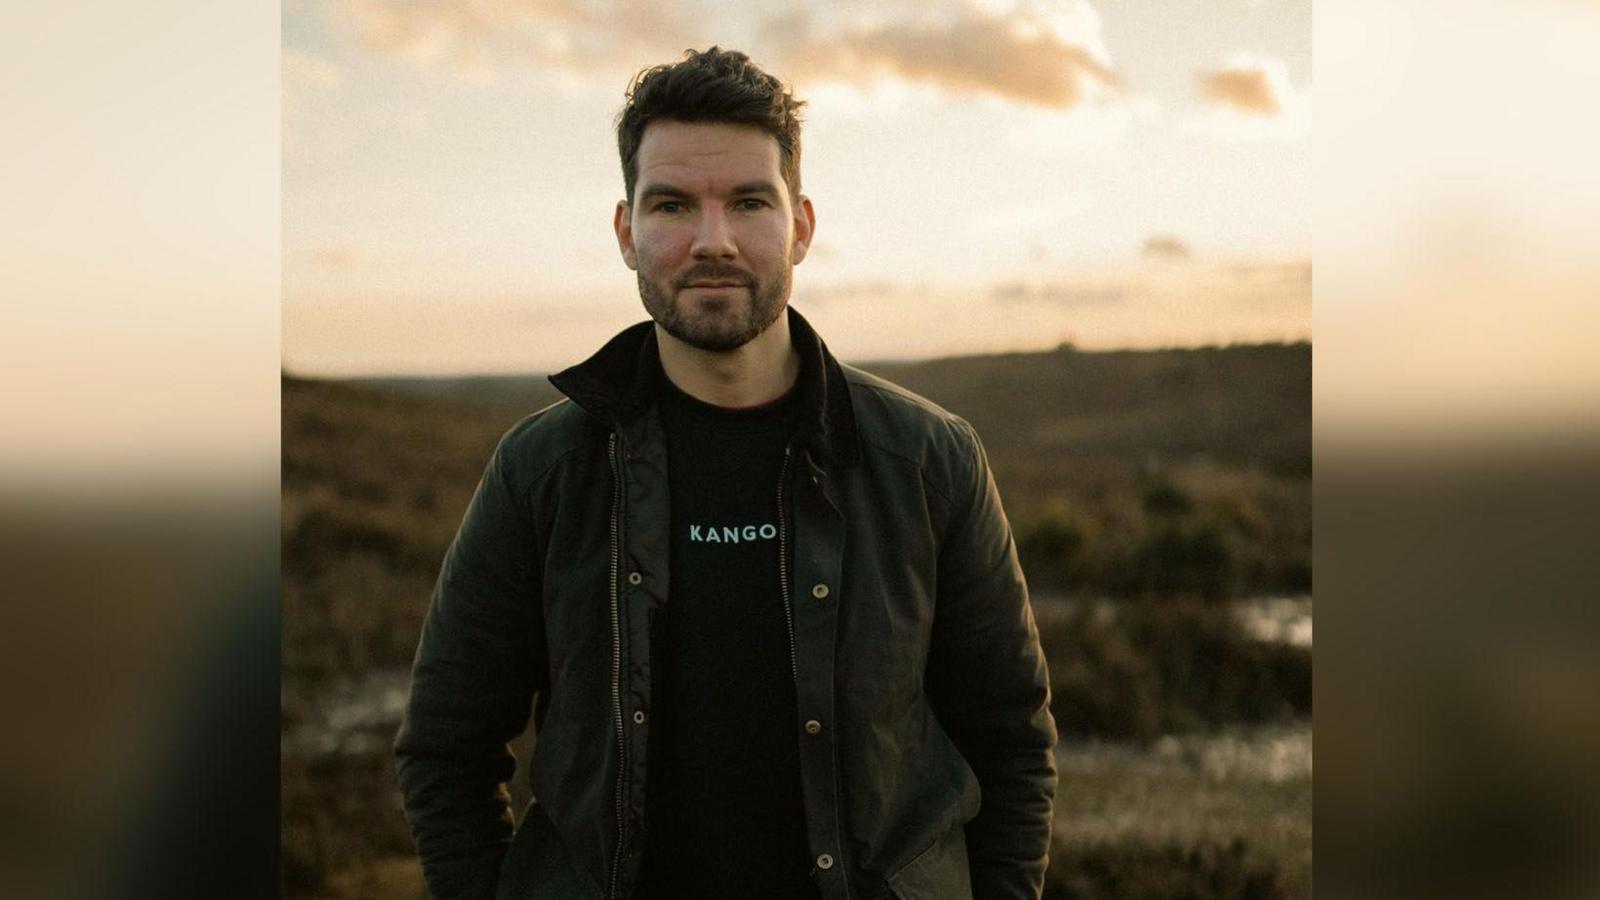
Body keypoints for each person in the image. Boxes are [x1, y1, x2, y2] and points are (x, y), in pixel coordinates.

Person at [395, 46, 1057, 900]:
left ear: (802, 226)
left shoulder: (928, 460)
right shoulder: (543, 471)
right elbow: (446, 750)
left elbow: (1011, 739)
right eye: (672, 205)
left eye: (749, 202)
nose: (713, 241)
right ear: (627, 233)